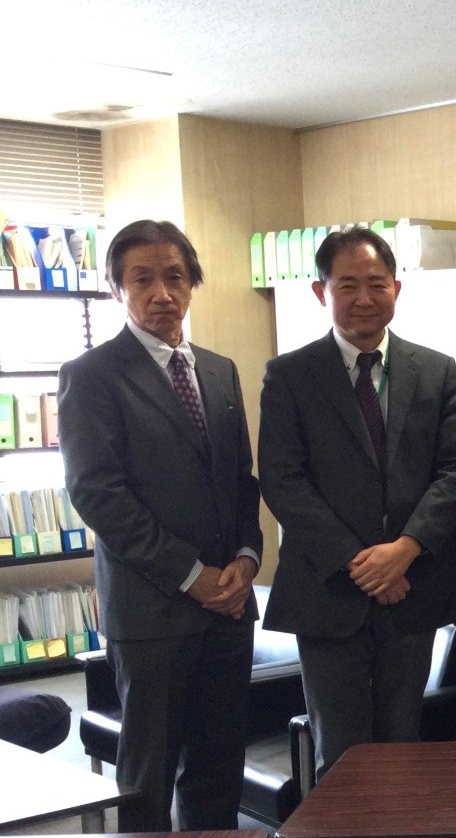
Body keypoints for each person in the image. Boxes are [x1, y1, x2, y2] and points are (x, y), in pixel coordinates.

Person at [58, 220, 262, 831]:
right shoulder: (91, 375)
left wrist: (247, 558)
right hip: (151, 615)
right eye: (142, 279)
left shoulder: (220, 370)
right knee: (147, 782)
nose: (161, 293)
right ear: (117, 289)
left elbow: (241, 480)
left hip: (228, 610)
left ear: (193, 283)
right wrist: (192, 575)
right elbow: (100, 496)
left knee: (219, 771)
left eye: (175, 276)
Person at [259, 226, 456, 777]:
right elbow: (283, 480)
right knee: (341, 754)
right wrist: (363, 563)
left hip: (412, 586)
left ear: (396, 289)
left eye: (376, 283)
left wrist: (405, 550)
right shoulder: (289, 375)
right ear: (320, 291)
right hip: (329, 590)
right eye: (346, 285)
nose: (363, 298)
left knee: (403, 746)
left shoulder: (436, 370)